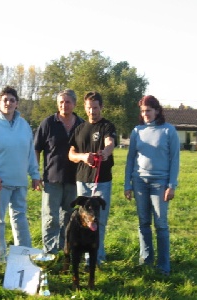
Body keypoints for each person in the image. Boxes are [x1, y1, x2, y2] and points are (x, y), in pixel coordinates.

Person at [0, 86, 41, 260]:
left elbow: (30, 153)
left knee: (20, 218)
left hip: (19, 181)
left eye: (12, 100)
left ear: (17, 104)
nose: (8, 103)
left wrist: (35, 175)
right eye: (5, 99)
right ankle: (0, 257)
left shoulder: (24, 125)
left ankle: (24, 255)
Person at [124, 95, 180, 276]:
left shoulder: (168, 131)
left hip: (160, 183)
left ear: (157, 111)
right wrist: (127, 184)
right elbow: (130, 158)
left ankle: (164, 266)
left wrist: (171, 185)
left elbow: (174, 160)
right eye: (142, 111)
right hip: (139, 181)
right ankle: (146, 259)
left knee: (161, 224)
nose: (145, 114)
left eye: (148, 110)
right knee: (143, 223)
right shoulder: (137, 131)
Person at [68, 91, 117, 266]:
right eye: (89, 108)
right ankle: (84, 256)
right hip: (82, 180)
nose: (92, 111)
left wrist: (105, 152)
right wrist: (82, 157)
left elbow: (110, 142)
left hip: (101, 181)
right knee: (83, 220)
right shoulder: (79, 128)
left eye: (95, 108)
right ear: (85, 107)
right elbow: (71, 154)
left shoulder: (107, 126)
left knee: (99, 220)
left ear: (101, 107)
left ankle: (97, 257)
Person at [34, 89, 84, 254]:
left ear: (74, 104)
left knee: (69, 218)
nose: (64, 105)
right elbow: (36, 149)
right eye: (61, 102)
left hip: (75, 180)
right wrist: (35, 174)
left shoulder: (82, 125)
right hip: (52, 179)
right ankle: (49, 252)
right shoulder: (48, 123)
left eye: (68, 102)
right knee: (51, 218)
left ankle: (65, 249)